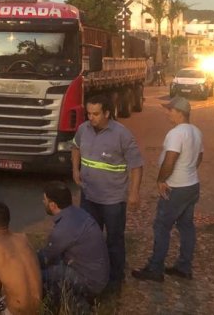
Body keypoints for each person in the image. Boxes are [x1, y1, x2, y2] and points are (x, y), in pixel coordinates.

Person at [71, 94, 143, 290]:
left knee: (114, 239)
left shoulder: (122, 134)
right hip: (89, 196)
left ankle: (115, 279)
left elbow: (136, 165)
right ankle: (91, 274)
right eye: (89, 113)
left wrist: (134, 193)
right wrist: (75, 169)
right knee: (89, 238)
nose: (91, 118)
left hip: (113, 200)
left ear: (107, 113)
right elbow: (75, 147)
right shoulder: (83, 129)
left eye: (96, 114)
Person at [132, 97, 203, 282]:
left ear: (179, 112)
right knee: (186, 226)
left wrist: (161, 180)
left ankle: (155, 269)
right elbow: (199, 157)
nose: (166, 113)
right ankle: (184, 266)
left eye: (169, 110)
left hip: (176, 187)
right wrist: (189, 171)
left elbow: (170, 159)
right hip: (192, 185)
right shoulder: (196, 131)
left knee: (162, 227)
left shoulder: (176, 133)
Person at [38, 181, 109, 302]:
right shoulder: (77, 213)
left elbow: (44, 257)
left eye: (45, 199)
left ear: (53, 205)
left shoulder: (64, 228)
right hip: (97, 275)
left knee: (37, 275)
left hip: (89, 282)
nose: (43, 202)